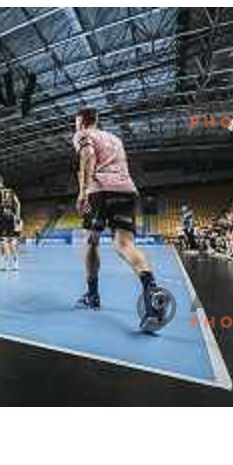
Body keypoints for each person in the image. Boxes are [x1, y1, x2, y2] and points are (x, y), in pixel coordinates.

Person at [73, 106, 170, 331]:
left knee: (91, 241)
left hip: (100, 191)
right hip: (127, 190)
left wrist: (82, 191)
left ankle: (93, 295)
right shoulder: (115, 139)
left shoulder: (83, 134)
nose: (75, 125)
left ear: (82, 121)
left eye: (76, 122)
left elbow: (87, 155)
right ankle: (151, 291)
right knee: (124, 245)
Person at [0, 175, 21, 270]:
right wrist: (18, 216)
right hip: (11, 216)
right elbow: (18, 203)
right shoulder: (11, 191)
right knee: (11, 241)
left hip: (2, 218)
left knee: (2, 241)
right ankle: (16, 264)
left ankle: (4, 264)